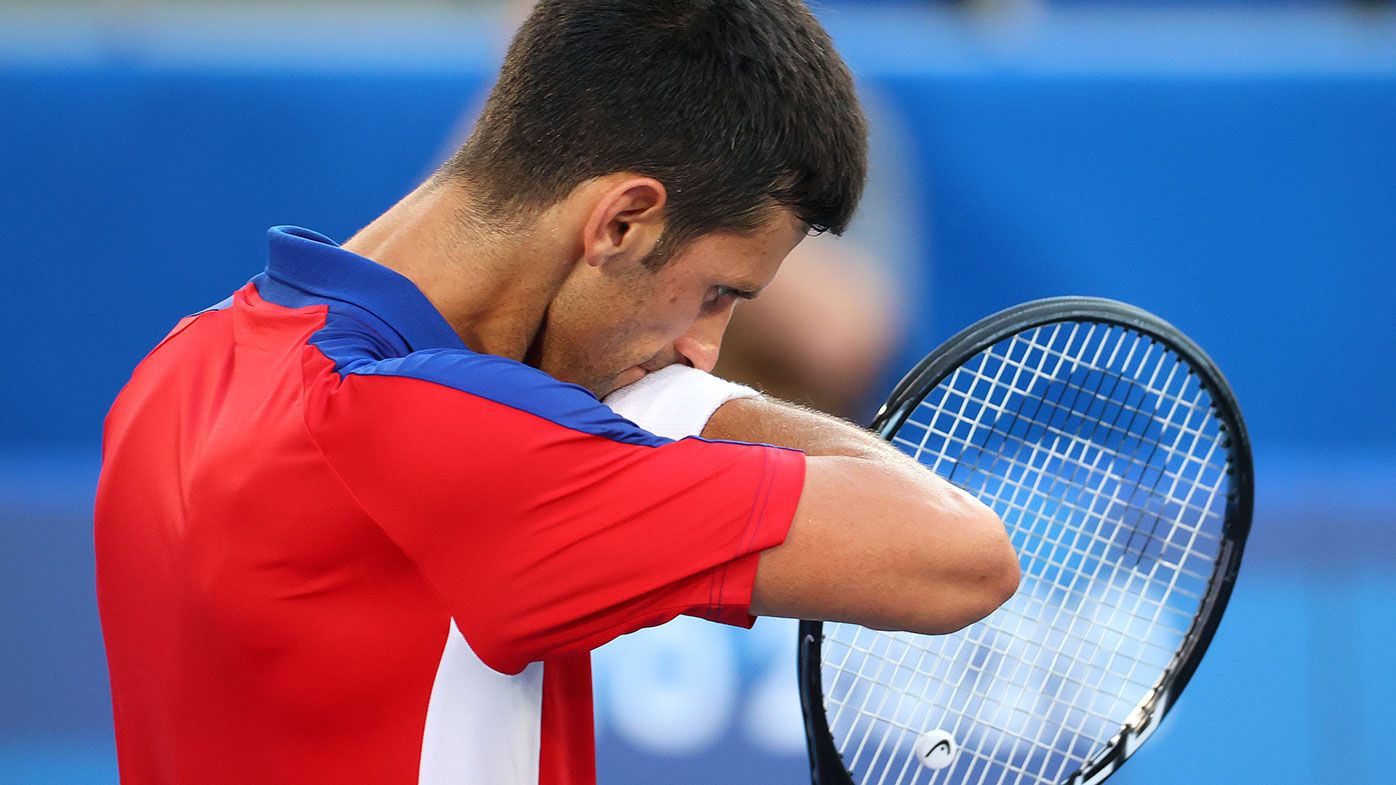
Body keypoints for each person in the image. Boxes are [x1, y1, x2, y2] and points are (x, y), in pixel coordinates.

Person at [93, 2, 1019, 784]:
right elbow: (964, 554)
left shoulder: (177, 365)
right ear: (621, 220)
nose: (702, 349)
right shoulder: (439, 435)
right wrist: (679, 410)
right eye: (717, 294)